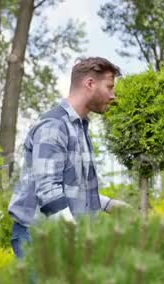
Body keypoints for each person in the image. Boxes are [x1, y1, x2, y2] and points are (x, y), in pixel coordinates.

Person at [8, 57, 129, 259]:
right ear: (90, 83)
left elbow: (73, 188)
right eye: (109, 87)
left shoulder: (78, 126)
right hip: (39, 239)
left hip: (60, 236)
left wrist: (108, 204)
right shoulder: (54, 125)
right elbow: (48, 191)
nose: (113, 95)